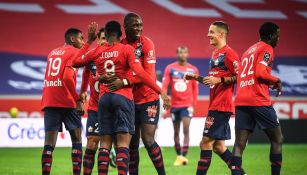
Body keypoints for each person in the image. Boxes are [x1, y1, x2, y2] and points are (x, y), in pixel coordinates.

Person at [71, 21, 170, 175]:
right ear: (120, 34)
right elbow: (142, 73)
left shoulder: (97, 51)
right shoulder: (126, 49)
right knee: (124, 143)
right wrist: (160, 91)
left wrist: (89, 41)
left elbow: (75, 62)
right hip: (123, 97)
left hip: (103, 99)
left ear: (106, 34)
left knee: (104, 143)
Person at [106, 12, 167, 175]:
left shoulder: (147, 44)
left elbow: (147, 74)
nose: (139, 28)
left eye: (140, 25)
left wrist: (125, 81)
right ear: (125, 27)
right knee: (132, 144)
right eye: (135, 25)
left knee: (148, 140)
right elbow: (119, 72)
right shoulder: (121, 45)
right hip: (129, 100)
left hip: (148, 98)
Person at [185, 21, 241, 174]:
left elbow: (240, 76)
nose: (208, 35)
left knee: (205, 142)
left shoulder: (230, 53)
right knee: (219, 147)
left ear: (221, 34)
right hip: (215, 104)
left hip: (221, 105)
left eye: (211, 32)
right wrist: (195, 77)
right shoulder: (215, 54)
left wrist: (220, 80)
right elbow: (212, 80)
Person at [230, 22, 283, 175]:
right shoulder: (267, 48)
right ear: (271, 36)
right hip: (257, 99)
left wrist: (268, 81)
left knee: (239, 144)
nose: (278, 39)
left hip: (241, 99)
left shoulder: (248, 51)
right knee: (277, 139)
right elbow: (260, 72)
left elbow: (249, 74)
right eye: (278, 36)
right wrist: (276, 80)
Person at [41, 28, 85, 175]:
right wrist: (77, 98)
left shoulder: (52, 53)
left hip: (50, 99)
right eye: (81, 38)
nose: (83, 42)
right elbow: (66, 77)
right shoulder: (74, 52)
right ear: (72, 39)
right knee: (77, 139)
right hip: (66, 100)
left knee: (49, 144)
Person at [80, 28, 116, 175]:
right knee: (92, 142)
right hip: (95, 108)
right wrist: (82, 91)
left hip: (113, 108)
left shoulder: (116, 56)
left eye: (107, 38)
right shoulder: (92, 57)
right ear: (99, 40)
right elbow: (85, 74)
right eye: (102, 38)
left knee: (107, 145)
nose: (105, 41)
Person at [162, 46, 199, 166]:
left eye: (184, 53)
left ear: (187, 54)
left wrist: (193, 105)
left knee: (186, 129)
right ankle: (179, 156)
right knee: (176, 131)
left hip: (186, 105)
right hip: (174, 105)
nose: (182, 55)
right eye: (180, 53)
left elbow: (195, 89)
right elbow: (164, 85)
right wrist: (164, 99)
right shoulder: (170, 68)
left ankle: (183, 156)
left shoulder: (193, 70)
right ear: (177, 54)